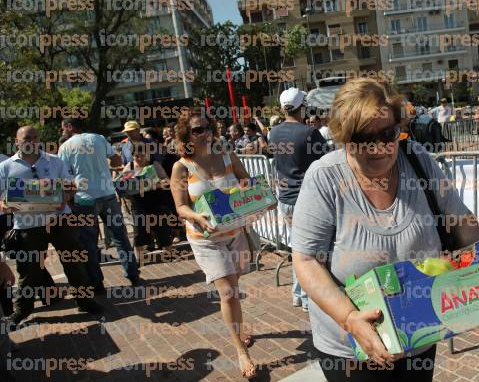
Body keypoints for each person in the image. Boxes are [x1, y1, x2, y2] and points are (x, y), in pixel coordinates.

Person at [290, 78, 479, 380]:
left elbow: (460, 221)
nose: (378, 147)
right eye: (363, 138)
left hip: (419, 332)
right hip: (351, 348)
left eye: (387, 134)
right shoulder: (324, 177)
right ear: (343, 136)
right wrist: (349, 318)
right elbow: (305, 260)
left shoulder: (416, 159)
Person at [169, 113, 257, 378]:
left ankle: (238, 327)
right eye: (197, 130)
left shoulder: (227, 155)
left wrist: (247, 191)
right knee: (228, 291)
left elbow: (246, 180)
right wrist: (196, 215)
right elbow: (181, 207)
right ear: (186, 135)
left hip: (235, 232)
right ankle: (242, 351)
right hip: (205, 239)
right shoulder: (181, 167)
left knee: (234, 285)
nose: (205, 133)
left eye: (208, 127)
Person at [0, 126, 103, 326]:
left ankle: (85, 301)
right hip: (28, 226)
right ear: (17, 141)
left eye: (35, 137)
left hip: (60, 220)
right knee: (29, 271)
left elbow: (71, 185)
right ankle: (21, 311)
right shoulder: (6, 167)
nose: (31, 141)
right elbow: (1, 200)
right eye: (26, 138)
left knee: (74, 263)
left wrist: (65, 197)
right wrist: (6, 205)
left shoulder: (54, 161)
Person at [59, 118, 141, 292]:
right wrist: (102, 167)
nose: (62, 133)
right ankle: (133, 274)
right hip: (108, 194)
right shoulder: (98, 138)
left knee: (89, 242)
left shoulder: (65, 147)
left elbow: (64, 177)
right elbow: (116, 161)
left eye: (63, 129)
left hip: (84, 198)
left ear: (69, 126)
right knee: (120, 237)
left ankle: (97, 283)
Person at [268, 87, 327, 313]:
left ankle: (297, 294)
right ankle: (305, 296)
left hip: (286, 197)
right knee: (309, 251)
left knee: (298, 248)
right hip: (306, 198)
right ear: (302, 106)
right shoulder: (308, 133)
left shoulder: (273, 132)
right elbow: (326, 159)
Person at [121, 143, 173, 266]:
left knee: (163, 228)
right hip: (139, 203)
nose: (138, 159)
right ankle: (139, 258)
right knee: (139, 230)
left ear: (148, 155)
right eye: (136, 156)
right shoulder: (130, 166)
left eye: (141, 156)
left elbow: (167, 180)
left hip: (157, 200)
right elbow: (122, 184)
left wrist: (156, 184)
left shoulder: (154, 165)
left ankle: (168, 253)